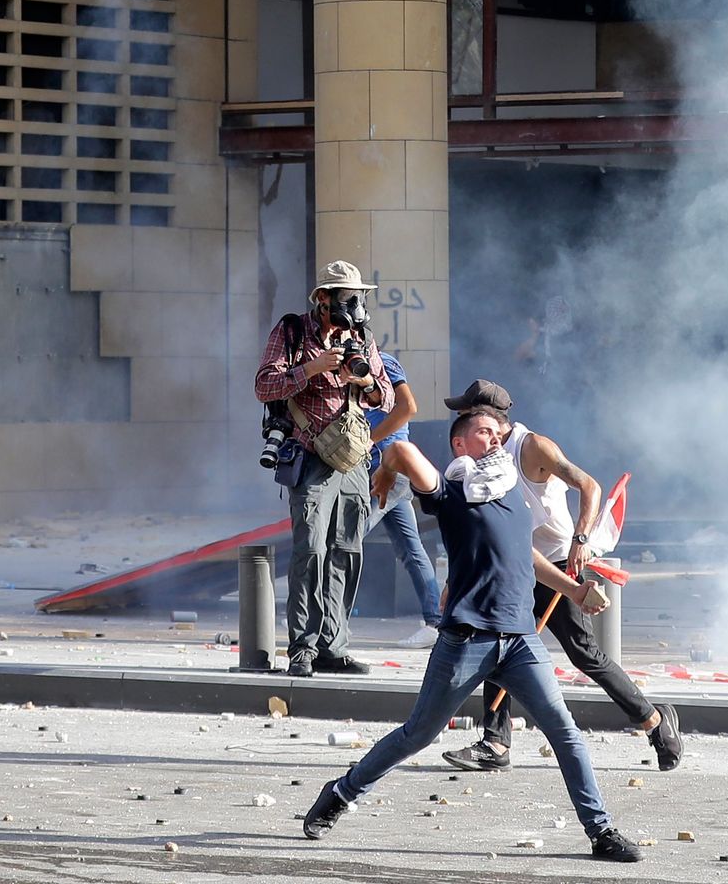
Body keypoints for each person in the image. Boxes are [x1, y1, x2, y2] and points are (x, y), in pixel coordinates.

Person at [299, 408, 642, 864]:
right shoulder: (452, 492)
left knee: (565, 731)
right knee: (417, 735)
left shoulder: (514, 497)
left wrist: (576, 590)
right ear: (460, 445)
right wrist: (383, 472)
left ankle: (601, 832)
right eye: (483, 432)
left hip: (519, 641)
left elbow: (529, 555)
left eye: (498, 431)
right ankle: (341, 791)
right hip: (466, 641)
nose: (496, 438)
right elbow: (401, 449)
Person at [437, 380, 681, 774]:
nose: (462, 420)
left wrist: (580, 539)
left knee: (583, 653)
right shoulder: (479, 460)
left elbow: (590, 485)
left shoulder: (531, 446)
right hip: (515, 565)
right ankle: (495, 743)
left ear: (488, 417)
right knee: (499, 642)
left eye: (469, 413)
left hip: (556, 561)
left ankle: (653, 720)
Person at [255, 260, 394, 678]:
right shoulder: (292, 332)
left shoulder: (362, 337)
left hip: (352, 460)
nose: (354, 306)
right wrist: (312, 368)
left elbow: (385, 397)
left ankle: (334, 645)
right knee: (310, 551)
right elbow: (263, 385)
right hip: (310, 456)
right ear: (323, 299)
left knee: (347, 551)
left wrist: (364, 382)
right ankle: (303, 647)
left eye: (359, 298)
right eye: (347, 298)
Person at [363, 350, 442, 649]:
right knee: (411, 548)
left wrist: (369, 442)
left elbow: (408, 407)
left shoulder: (382, 362)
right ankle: (434, 621)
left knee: (345, 541)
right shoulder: (347, 365)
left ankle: (323, 619)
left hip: (388, 468)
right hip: (383, 467)